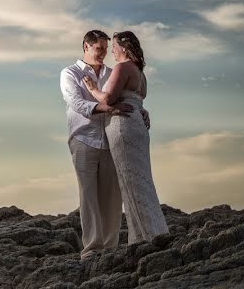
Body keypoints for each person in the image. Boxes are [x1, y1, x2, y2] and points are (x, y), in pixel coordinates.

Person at [83, 31, 168, 244]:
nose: (111, 51)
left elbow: (110, 98)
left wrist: (93, 90)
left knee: (130, 181)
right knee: (143, 180)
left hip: (123, 127)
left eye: (114, 48)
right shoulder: (141, 74)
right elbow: (136, 101)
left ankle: (145, 237)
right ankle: (153, 232)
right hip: (137, 127)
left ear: (123, 48)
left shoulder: (123, 68)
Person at [60, 30, 132, 259]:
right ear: (86, 47)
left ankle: (110, 247)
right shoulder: (70, 73)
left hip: (111, 139)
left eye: (105, 48)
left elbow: (125, 99)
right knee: (88, 194)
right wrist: (108, 108)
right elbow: (77, 103)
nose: (102, 53)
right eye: (98, 48)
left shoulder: (111, 73)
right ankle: (92, 248)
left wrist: (141, 111)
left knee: (112, 195)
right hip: (83, 139)